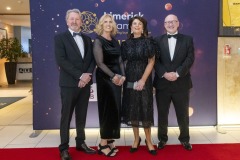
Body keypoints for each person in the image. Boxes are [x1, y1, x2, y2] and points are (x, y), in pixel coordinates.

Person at [54, 9, 96, 160]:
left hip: (85, 84)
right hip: (69, 84)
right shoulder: (60, 38)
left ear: (81, 21)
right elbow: (62, 61)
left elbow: (92, 60)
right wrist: (80, 75)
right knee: (66, 117)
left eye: (77, 19)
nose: (74, 21)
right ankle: (64, 148)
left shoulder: (87, 39)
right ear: (67, 21)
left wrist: (86, 77)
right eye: (71, 19)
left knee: (82, 115)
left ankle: (80, 142)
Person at [153, 14, 195, 151]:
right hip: (162, 84)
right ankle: (162, 139)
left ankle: (185, 139)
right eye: (167, 22)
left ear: (178, 23)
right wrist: (165, 74)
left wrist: (177, 73)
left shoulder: (188, 39)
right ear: (164, 25)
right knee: (162, 114)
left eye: (173, 22)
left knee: (183, 114)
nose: (170, 24)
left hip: (181, 83)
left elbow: (190, 59)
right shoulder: (157, 40)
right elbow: (155, 61)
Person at [121, 16, 157, 155]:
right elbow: (121, 63)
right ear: (130, 27)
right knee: (132, 109)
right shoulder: (125, 44)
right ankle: (136, 139)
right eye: (134, 24)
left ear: (143, 27)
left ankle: (149, 140)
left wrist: (142, 80)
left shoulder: (148, 42)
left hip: (145, 80)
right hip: (130, 79)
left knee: (145, 109)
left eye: (139, 24)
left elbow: (151, 61)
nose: (136, 26)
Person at [93, 14, 125, 157]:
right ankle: (102, 144)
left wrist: (123, 76)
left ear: (113, 25)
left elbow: (119, 61)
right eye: (105, 22)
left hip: (117, 80)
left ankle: (110, 139)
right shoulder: (98, 41)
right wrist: (113, 76)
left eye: (110, 22)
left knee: (114, 110)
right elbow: (100, 63)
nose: (108, 24)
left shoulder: (115, 41)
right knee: (106, 111)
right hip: (105, 80)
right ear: (101, 24)